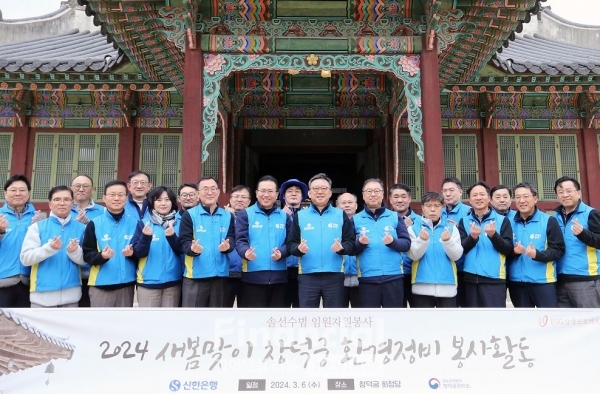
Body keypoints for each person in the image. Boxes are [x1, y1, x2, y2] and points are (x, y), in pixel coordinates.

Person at [287, 173, 355, 308]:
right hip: (307, 275)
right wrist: (298, 249)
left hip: (334, 275)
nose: (320, 191)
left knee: (334, 318)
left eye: (324, 188)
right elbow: (290, 244)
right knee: (307, 319)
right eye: (315, 188)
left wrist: (341, 248)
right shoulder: (300, 216)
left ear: (330, 193)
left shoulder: (340, 214)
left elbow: (351, 242)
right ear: (309, 193)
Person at [20, 186, 86, 307]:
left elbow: (86, 261)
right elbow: (26, 258)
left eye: (66, 199)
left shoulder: (82, 228)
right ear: (50, 204)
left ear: (72, 203)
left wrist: (75, 252)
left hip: (72, 296)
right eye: (57, 199)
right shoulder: (37, 227)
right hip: (41, 296)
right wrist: (49, 249)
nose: (62, 203)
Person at [353, 178, 411, 308]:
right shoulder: (355, 220)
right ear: (363, 195)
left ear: (383, 194)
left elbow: (406, 244)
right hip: (367, 278)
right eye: (369, 191)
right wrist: (360, 243)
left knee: (394, 321)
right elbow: (350, 249)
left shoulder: (395, 217)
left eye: (376, 191)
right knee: (370, 321)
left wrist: (392, 242)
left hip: (394, 277)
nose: (373, 194)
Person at [82, 180, 139, 307]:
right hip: (101, 284)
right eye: (112, 194)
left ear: (126, 197)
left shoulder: (135, 223)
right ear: (104, 198)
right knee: (100, 325)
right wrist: (102, 256)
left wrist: (132, 254)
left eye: (121, 195)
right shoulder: (94, 224)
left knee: (124, 325)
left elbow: (141, 252)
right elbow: (87, 255)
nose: (116, 198)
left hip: (127, 284)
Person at [236, 176, 290, 307]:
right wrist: (245, 252)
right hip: (252, 277)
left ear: (277, 194)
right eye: (263, 191)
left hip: (279, 278)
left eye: (271, 191)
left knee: (276, 322)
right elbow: (240, 240)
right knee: (253, 322)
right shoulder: (245, 214)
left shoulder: (284, 216)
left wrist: (282, 253)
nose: (266, 195)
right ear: (256, 193)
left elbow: (291, 242)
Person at [179, 176, 234, 307]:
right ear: (198, 194)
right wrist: (192, 250)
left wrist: (228, 246)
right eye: (205, 189)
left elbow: (232, 238)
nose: (210, 192)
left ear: (219, 192)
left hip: (220, 276)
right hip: (195, 276)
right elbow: (184, 242)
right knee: (194, 321)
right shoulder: (190, 215)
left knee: (217, 320)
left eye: (213, 189)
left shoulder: (227, 216)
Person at [508, 183, 564, 308]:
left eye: (525, 196)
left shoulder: (549, 220)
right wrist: (514, 252)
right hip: (517, 283)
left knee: (548, 322)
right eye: (517, 197)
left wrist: (537, 255)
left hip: (543, 283)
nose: (521, 201)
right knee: (524, 324)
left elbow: (558, 250)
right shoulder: (509, 222)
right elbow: (504, 249)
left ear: (535, 198)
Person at [457, 181, 513, 307]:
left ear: (489, 198)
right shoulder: (464, 221)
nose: (478, 198)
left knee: (495, 321)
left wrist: (494, 236)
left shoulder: (503, 220)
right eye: (474, 195)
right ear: (469, 201)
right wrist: (472, 237)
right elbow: (459, 250)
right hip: (470, 279)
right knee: (473, 322)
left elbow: (508, 249)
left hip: (494, 279)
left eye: (482, 194)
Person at [407, 192, 463, 308]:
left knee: (446, 325)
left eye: (437, 206)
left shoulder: (452, 229)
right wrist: (422, 240)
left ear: (442, 208)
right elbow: (413, 255)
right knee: (424, 325)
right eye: (428, 206)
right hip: (421, 285)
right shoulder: (413, 229)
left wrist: (448, 241)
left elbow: (457, 256)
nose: (433, 209)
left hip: (447, 286)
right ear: (422, 208)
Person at [130, 186, 183, 307]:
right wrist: (146, 237)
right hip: (148, 282)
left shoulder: (180, 223)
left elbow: (182, 250)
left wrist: (172, 237)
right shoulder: (143, 223)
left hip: (173, 282)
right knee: (148, 323)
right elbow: (138, 252)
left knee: (169, 323)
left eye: (167, 199)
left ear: (172, 202)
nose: (163, 203)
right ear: (152, 203)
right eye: (158, 200)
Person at [552, 176, 600, 307]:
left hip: (585, 280)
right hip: (560, 278)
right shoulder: (554, 217)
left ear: (578, 193)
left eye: (569, 191)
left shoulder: (591, 214)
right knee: (566, 324)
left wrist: (583, 234)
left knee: (591, 324)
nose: (565, 195)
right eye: (561, 192)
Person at [0, 174, 41, 307]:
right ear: (5, 193)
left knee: (24, 327)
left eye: (22, 190)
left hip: (29, 281)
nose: (18, 193)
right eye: (13, 190)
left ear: (28, 193)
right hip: (3, 281)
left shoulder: (39, 218)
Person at [70, 174, 105, 307]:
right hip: (71, 272)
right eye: (77, 186)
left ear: (93, 190)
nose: (81, 189)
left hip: (95, 271)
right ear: (71, 188)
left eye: (85, 186)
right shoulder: (62, 209)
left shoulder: (103, 211)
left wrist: (89, 225)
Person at [388, 183, 421, 307]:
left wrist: (411, 230)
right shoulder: (384, 220)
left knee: (417, 313)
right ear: (390, 200)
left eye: (403, 196)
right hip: (393, 273)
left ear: (410, 199)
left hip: (415, 273)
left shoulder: (421, 221)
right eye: (396, 197)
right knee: (396, 313)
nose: (400, 200)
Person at [441, 177, 471, 307]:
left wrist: (459, 230)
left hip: (463, 267)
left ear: (460, 192)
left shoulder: (469, 211)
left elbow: (476, 236)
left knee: (465, 307)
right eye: (445, 191)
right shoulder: (437, 211)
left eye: (451, 190)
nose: (447, 194)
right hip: (444, 268)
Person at [279, 178, 308, 308]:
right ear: (283, 196)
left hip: (303, 269)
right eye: (289, 191)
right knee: (281, 307)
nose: (293, 193)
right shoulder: (276, 215)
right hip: (281, 268)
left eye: (297, 191)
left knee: (300, 307)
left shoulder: (308, 216)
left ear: (303, 196)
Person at [223, 185, 252, 307]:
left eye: (243, 197)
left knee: (247, 311)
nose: (239, 199)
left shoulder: (254, 217)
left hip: (247, 272)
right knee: (223, 310)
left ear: (249, 201)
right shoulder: (221, 217)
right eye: (236, 196)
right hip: (225, 273)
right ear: (230, 200)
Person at [336, 192, 360, 307]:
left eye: (350, 202)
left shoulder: (363, 222)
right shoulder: (333, 224)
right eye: (343, 203)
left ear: (356, 205)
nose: (347, 205)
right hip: (338, 279)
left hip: (360, 278)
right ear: (337, 206)